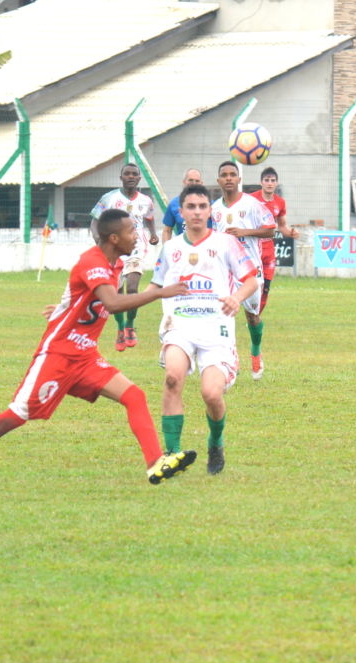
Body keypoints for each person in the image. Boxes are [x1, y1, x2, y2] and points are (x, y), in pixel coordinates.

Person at [0, 209, 194, 496]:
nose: (137, 235)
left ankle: (155, 463)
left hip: (85, 357)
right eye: (132, 231)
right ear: (113, 237)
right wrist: (159, 292)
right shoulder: (92, 261)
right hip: (57, 355)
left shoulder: (115, 263)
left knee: (134, 395)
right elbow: (112, 303)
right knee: (17, 415)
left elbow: (83, 298)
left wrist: (62, 310)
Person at [151, 184, 260, 475]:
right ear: (181, 212)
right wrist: (124, 304)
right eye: (191, 207)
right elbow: (156, 284)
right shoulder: (171, 248)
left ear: (210, 211)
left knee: (211, 394)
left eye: (202, 206)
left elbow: (251, 279)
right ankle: (171, 455)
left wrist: (236, 298)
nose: (197, 212)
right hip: (180, 327)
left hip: (217, 331)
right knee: (173, 378)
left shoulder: (226, 243)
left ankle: (215, 441)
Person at [212, 161, 276, 380]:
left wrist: (244, 232)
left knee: (252, 317)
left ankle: (256, 352)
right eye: (224, 175)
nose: (228, 178)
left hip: (249, 269)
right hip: (225, 268)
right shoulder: (214, 209)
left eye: (233, 174)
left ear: (239, 179)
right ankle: (231, 358)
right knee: (224, 314)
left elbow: (271, 231)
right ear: (218, 180)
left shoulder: (253, 204)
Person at [90, 163, 159, 351]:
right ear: (121, 177)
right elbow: (95, 221)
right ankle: (120, 328)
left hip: (137, 248)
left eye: (134, 174)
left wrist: (153, 234)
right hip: (115, 250)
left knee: (134, 286)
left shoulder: (146, 200)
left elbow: (150, 219)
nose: (130, 176)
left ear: (139, 178)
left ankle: (130, 324)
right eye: (126, 174)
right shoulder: (109, 198)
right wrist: (98, 238)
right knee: (117, 291)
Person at [247, 166, 299, 314]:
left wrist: (291, 232)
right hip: (253, 248)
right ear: (261, 182)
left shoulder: (280, 203)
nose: (270, 183)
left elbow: (282, 226)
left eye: (273, 180)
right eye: (267, 180)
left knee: (266, 288)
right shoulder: (251, 200)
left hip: (268, 250)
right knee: (251, 285)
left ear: (276, 183)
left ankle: (255, 317)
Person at [161, 168, 214, 240]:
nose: (194, 183)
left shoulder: (211, 204)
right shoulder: (173, 204)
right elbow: (167, 230)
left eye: (197, 181)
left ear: (201, 183)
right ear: (184, 182)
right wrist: (166, 249)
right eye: (190, 180)